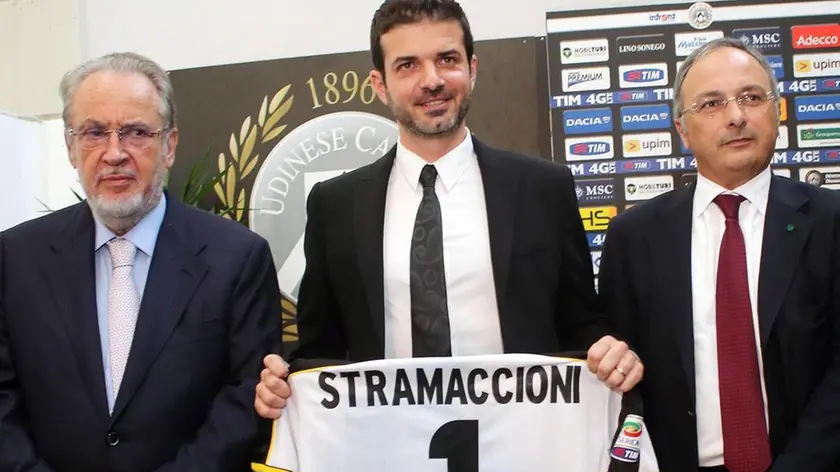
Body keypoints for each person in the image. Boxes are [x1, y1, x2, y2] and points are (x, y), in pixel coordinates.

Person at [254, 0, 642, 419]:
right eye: (408, 65)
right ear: (380, 84)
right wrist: (286, 385)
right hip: (388, 439)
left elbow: (580, 322)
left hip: (523, 436)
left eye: (447, 59)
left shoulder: (542, 189)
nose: (432, 80)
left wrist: (610, 352)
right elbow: (321, 351)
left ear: (472, 69)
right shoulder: (335, 206)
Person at [0, 52, 283, 472]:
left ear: (170, 146)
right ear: (70, 147)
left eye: (135, 132)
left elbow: (244, 399)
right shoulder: (15, 258)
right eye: (94, 132)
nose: (114, 153)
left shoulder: (238, 258)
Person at [599, 37, 840, 472]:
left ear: (778, 112)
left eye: (752, 97)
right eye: (711, 104)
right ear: (681, 130)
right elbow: (622, 370)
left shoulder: (830, 221)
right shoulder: (634, 237)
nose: (736, 116)